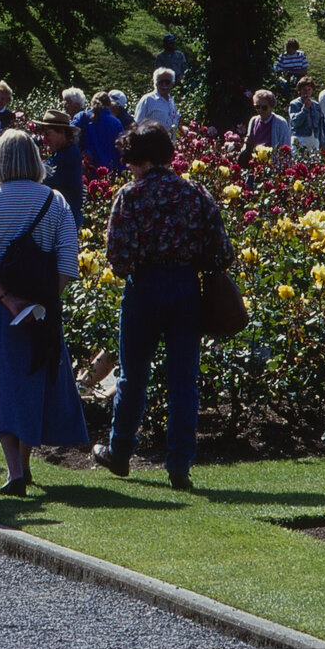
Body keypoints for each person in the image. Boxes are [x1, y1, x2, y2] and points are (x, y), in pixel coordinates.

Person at [92, 121, 234, 493]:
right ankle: (180, 465)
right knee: (183, 380)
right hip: (186, 287)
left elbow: (117, 258)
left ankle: (119, 451)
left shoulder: (131, 196)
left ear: (137, 158)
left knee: (133, 375)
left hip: (145, 288)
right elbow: (222, 250)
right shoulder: (195, 192)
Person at [0, 131, 88, 496]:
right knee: (34, 381)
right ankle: (27, 465)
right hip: (43, 307)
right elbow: (67, 259)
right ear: (35, 160)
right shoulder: (56, 200)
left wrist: (7, 299)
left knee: (4, 386)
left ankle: (15, 472)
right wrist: (45, 300)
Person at [34, 110, 84, 234]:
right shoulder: (60, 153)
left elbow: (44, 178)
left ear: (61, 132)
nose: (44, 138)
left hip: (66, 222)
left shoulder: (69, 155)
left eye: (48, 134)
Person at [238, 89, 292, 166]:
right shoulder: (253, 120)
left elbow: (286, 146)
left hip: (272, 164)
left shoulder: (280, 122)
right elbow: (247, 146)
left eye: (264, 107)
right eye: (257, 106)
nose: (260, 110)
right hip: (254, 163)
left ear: (271, 106)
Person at [78, 91, 125, 175]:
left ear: (91, 102)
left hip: (87, 170)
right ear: (109, 105)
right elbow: (121, 150)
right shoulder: (116, 122)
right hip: (110, 171)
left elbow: (69, 137)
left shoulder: (82, 117)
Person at [288, 77, 325, 156]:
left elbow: (320, 126)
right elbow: (295, 122)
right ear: (300, 91)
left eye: (309, 89)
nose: (307, 92)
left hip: (314, 140)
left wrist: (322, 143)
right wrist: (305, 109)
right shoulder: (294, 104)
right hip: (300, 138)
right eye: (304, 89)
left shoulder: (316, 105)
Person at [134, 67, 181, 132]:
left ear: (172, 83)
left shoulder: (171, 101)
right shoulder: (148, 100)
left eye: (167, 82)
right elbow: (137, 124)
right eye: (161, 82)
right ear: (155, 83)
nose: (164, 84)